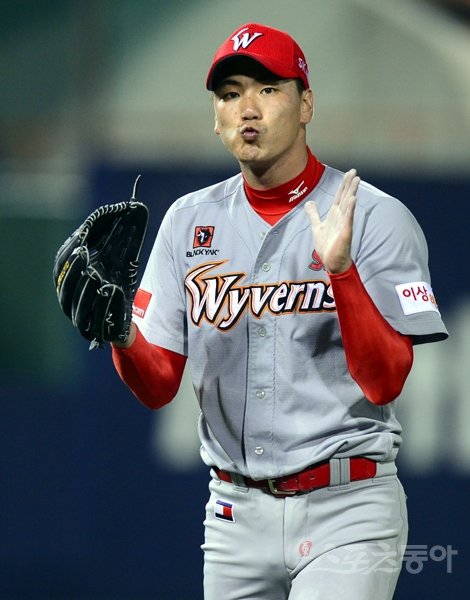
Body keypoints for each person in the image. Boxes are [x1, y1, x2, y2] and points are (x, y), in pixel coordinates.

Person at [111, 23, 448, 600]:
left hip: (348, 505)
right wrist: (119, 336)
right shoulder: (187, 221)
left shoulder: (373, 216)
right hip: (234, 513)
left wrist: (341, 273)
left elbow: (386, 379)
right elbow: (159, 384)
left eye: (268, 89)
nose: (248, 108)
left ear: (306, 103)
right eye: (230, 93)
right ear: (216, 117)